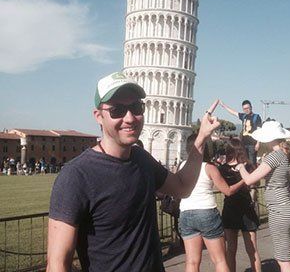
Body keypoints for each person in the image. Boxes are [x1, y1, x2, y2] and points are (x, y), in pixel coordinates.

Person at [47, 71, 221, 272]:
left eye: (136, 107)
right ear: (98, 116)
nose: (130, 118)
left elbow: (182, 188)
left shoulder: (142, 159)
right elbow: (57, 263)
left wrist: (201, 139)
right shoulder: (76, 176)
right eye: (117, 110)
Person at [179, 137, 253, 272]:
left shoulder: (182, 165)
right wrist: (244, 180)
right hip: (206, 211)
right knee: (219, 260)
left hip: (186, 211)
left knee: (192, 261)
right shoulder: (209, 167)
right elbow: (228, 191)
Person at [236, 121, 290, 272]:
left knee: (284, 259)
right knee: (284, 255)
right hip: (287, 206)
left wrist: (241, 168)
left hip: (279, 209)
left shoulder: (274, 156)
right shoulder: (287, 155)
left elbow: (250, 179)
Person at [217, 139, 262, 272]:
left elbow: (225, 189)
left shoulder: (223, 168)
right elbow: (256, 183)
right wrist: (245, 179)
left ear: (228, 151)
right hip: (245, 207)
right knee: (252, 250)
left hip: (231, 208)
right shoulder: (247, 166)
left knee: (231, 249)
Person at [221, 100, 263, 166]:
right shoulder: (244, 116)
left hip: (252, 144)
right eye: (244, 109)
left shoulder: (256, 117)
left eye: (247, 108)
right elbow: (233, 112)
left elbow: (259, 131)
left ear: (251, 107)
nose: (246, 110)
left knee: (252, 162)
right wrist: (224, 106)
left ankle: (253, 174)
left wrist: (258, 143)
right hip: (243, 143)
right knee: (244, 161)